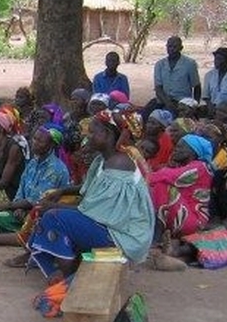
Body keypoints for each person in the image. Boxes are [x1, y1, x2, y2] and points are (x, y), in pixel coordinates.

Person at [27, 110, 155, 282]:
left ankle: (65, 272)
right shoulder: (104, 160)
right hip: (109, 224)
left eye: (93, 132)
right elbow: (88, 191)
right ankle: (65, 259)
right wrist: (62, 191)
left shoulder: (119, 163)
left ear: (108, 134)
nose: (88, 137)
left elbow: (94, 211)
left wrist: (54, 206)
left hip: (123, 236)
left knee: (54, 216)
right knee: (52, 204)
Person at [149, 35, 201, 117]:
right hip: (164, 100)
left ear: (181, 48)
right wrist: (168, 103)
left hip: (183, 102)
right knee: (146, 114)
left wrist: (195, 105)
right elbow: (158, 88)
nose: (171, 49)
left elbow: (197, 86)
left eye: (175, 47)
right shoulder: (160, 64)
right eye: (169, 46)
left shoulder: (190, 64)